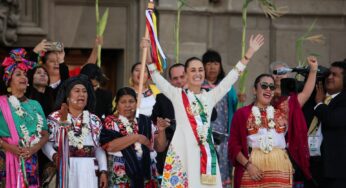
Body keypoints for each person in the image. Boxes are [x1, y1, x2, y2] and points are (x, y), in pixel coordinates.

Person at [145, 34, 264, 187]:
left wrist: (250, 52)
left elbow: (232, 76)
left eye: (200, 70)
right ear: (186, 75)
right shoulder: (176, 95)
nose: (198, 73)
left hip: (205, 157)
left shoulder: (210, 96)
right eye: (193, 70)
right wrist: (147, 52)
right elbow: (155, 76)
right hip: (182, 154)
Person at [229, 73, 304, 188]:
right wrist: (248, 166)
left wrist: (313, 71)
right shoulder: (242, 114)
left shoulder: (282, 113)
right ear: (254, 90)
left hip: (279, 172)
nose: (268, 89)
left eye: (272, 87)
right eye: (264, 86)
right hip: (252, 172)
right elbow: (233, 146)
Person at [42, 75, 107, 188]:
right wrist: (54, 156)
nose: (81, 94)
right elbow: (46, 144)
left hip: (88, 170)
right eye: (77, 91)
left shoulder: (94, 120)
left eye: (84, 91)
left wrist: (103, 171)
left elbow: (99, 148)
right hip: (64, 168)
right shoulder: (55, 117)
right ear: (67, 97)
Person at [0, 48, 49, 187]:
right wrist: (11, 147)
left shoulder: (35, 104)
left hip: (31, 158)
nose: (23, 77)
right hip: (6, 157)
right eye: (18, 74)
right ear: (9, 80)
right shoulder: (1, 103)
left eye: (25, 74)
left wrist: (34, 149)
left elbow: (45, 133)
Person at [270, 57, 318, 187]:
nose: (278, 76)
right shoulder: (264, 96)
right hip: (266, 153)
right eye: (275, 72)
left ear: (288, 74)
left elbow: (307, 92)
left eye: (282, 72)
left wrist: (313, 70)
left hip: (287, 151)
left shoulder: (291, 100)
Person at [101, 87, 158, 187]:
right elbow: (109, 146)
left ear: (136, 103)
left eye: (131, 101)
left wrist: (161, 130)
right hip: (122, 172)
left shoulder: (145, 121)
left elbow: (157, 147)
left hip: (146, 171)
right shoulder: (111, 122)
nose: (127, 105)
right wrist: (136, 137)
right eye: (123, 102)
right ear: (117, 105)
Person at [201, 50, 238, 187]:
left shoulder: (226, 85)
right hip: (204, 138)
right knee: (206, 175)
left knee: (222, 175)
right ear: (203, 66)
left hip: (224, 139)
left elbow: (234, 106)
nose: (212, 67)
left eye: (216, 63)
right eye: (209, 63)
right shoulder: (199, 86)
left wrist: (238, 98)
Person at [314, 59, 346, 188]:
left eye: (335, 75)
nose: (330, 77)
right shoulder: (317, 96)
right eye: (328, 74)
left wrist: (320, 104)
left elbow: (332, 120)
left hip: (337, 171)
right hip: (315, 166)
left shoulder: (343, 99)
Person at [151, 63, 186, 176]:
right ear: (170, 81)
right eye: (175, 78)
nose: (179, 81)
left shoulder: (199, 95)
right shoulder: (162, 98)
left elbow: (213, 115)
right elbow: (154, 121)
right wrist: (163, 124)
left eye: (182, 77)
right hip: (170, 150)